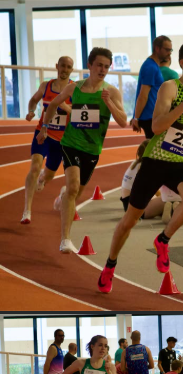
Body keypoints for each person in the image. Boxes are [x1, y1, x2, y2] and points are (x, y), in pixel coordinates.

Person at [98, 40, 183, 293]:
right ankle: (109, 265)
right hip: (157, 159)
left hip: (182, 160)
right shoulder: (169, 87)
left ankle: (163, 240)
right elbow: (157, 126)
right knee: (130, 220)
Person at [41, 47, 128, 253]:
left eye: (106, 66)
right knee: (72, 187)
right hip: (70, 144)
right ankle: (65, 239)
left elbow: (123, 121)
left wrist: (108, 102)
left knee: (77, 192)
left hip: (92, 149)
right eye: (99, 65)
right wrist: (44, 127)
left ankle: (63, 198)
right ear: (89, 65)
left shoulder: (111, 92)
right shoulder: (74, 88)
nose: (102, 70)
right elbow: (53, 104)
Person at [21, 56, 74, 225]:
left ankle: (42, 179)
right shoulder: (46, 86)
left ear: (72, 70)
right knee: (35, 166)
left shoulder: (74, 89)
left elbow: (79, 114)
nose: (65, 69)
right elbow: (33, 100)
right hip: (43, 134)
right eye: (62, 66)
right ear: (57, 66)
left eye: (68, 67)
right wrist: (31, 111)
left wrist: (65, 107)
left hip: (61, 140)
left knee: (49, 174)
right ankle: (27, 211)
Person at [131, 35, 171, 138]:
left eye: (171, 50)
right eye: (167, 50)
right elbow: (143, 95)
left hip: (152, 116)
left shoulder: (154, 66)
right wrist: (136, 118)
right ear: (157, 48)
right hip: (150, 117)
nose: (169, 53)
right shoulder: (150, 67)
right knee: (154, 147)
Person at [120, 139, 167, 218]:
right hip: (138, 209)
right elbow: (154, 190)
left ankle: (168, 211)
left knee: (167, 198)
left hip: (130, 206)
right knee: (171, 198)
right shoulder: (145, 166)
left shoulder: (135, 163)